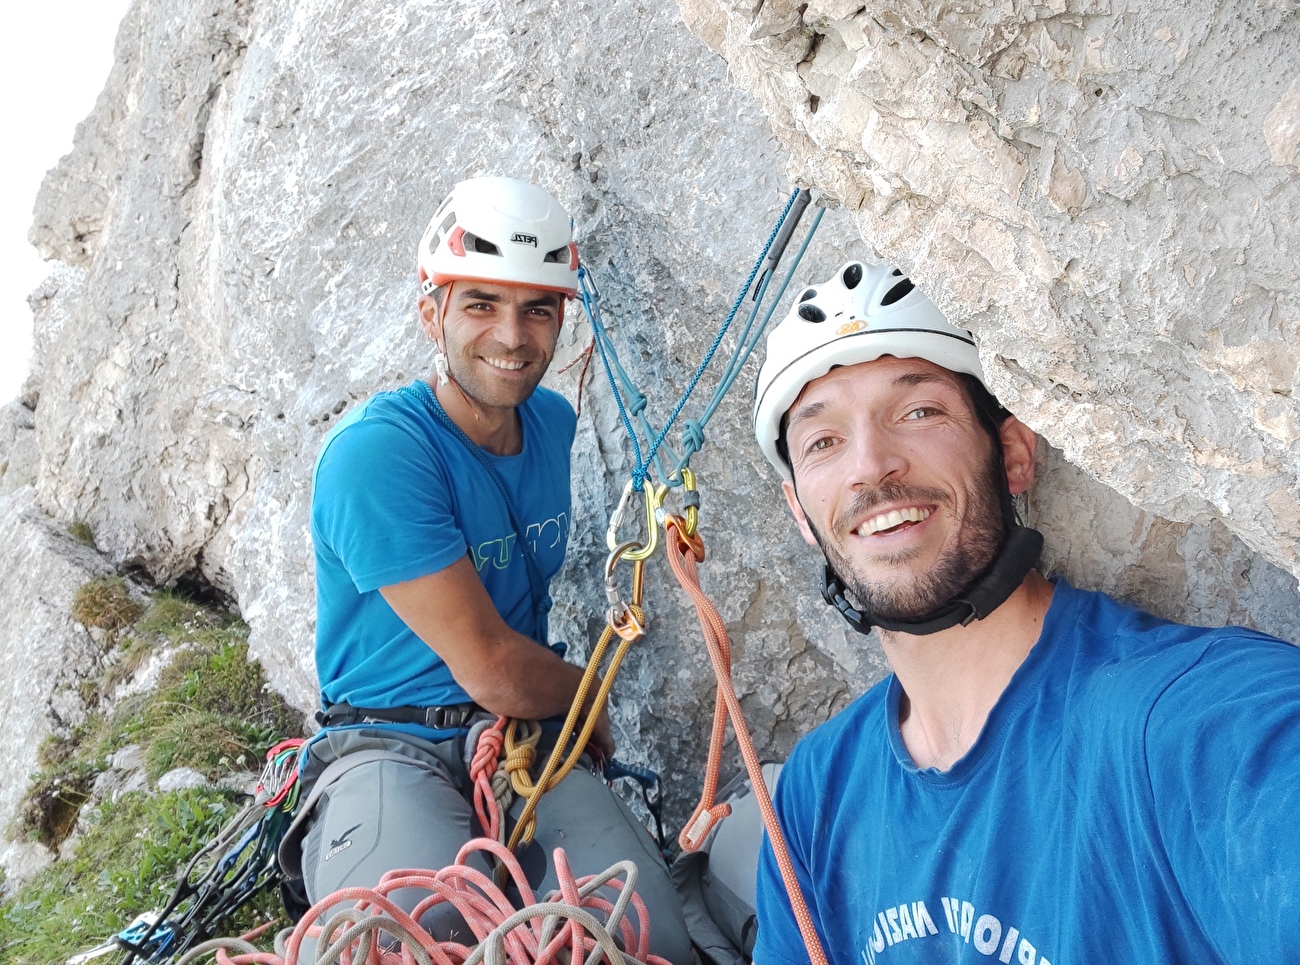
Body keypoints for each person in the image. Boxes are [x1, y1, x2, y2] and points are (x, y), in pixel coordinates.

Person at [746, 260, 1300, 964]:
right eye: (823, 441)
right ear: (801, 511)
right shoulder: (814, 795)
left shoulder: (1188, 728)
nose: (870, 465)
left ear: (1011, 453)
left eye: (918, 411)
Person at [277, 176, 690, 964]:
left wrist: (559, 715)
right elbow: (494, 666)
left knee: (639, 938)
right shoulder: (379, 455)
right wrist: (588, 701)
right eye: (481, 305)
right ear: (431, 311)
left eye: (538, 308)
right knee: (411, 934)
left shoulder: (553, 423)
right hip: (388, 739)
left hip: (519, 738)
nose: (512, 335)